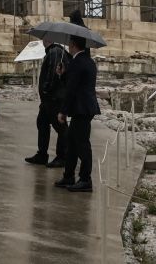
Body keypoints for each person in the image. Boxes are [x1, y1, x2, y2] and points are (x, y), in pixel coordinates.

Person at [56, 35, 100, 193]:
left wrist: (63, 111)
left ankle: (86, 179)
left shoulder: (76, 62)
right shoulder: (88, 61)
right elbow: (76, 83)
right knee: (72, 142)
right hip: (86, 108)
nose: (68, 46)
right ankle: (68, 175)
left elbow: (71, 89)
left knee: (81, 144)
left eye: (69, 44)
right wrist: (64, 75)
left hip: (81, 108)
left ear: (73, 45)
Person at [25, 35, 70, 166]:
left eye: (45, 39)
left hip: (53, 98)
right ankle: (42, 154)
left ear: (49, 40)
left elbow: (53, 74)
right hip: (49, 99)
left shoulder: (54, 52)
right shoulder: (52, 51)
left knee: (60, 127)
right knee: (42, 123)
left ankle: (62, 156)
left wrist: (46, 90)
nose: (43, 41)